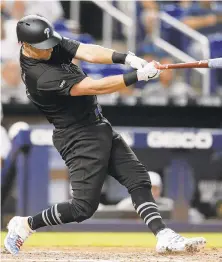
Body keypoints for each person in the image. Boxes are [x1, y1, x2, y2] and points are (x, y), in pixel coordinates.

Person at [4, 14, 206, 255]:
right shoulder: (40, 76)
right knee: (82, 208)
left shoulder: (47, 43)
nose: (49, 50)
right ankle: (25, 224)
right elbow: (93, 86)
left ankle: (163, 235)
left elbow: (86, 51)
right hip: (77, 137)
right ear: (24, 45)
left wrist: (127, 58)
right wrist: (137, 77)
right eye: (42, 48)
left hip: (97, 125)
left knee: (139, 179)